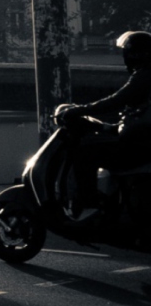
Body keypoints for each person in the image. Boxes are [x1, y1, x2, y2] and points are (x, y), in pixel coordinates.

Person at [62, 30, 151, 215]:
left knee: (85, 154)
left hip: (139, 147)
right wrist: (104, 126)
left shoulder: (144, 76)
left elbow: (115, 101)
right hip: (141, 141)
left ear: (134, 54)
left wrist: (78, 110)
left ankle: (89, 202)